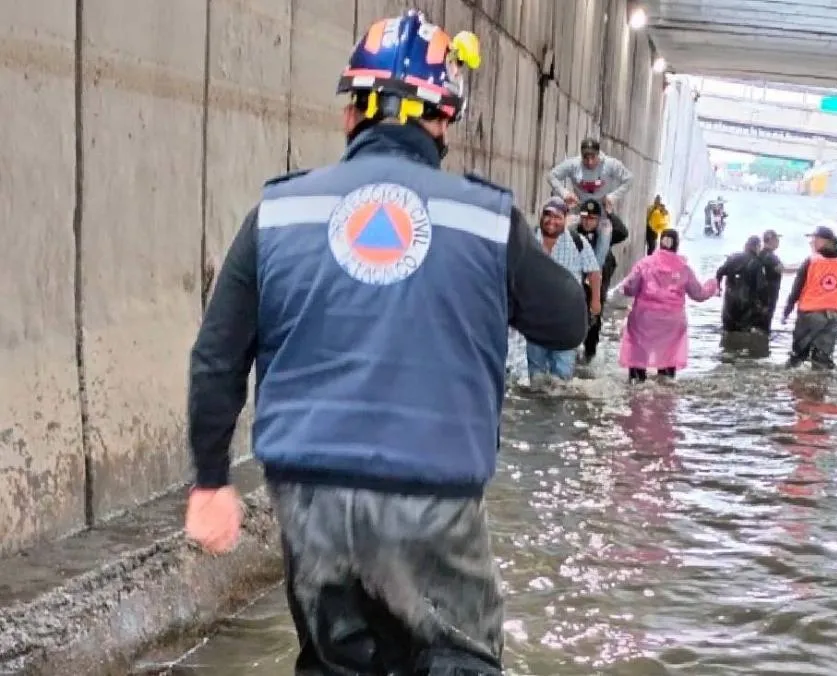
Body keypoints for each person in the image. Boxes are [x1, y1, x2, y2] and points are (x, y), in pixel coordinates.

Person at [183, 11, 587, 674]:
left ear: (352, 115)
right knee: (457, 658)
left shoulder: (280, 212)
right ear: (441, 122)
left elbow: (217, 356)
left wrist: (210, 479)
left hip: (308, 496)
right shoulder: (482, 220)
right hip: (429, 493)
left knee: (333, 661)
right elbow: (567, 322)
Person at [617, 228, 719, 382]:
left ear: (660, 243)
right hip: (672, 323)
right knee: (668, 359)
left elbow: (629, 288)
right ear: (676, 245)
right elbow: (698, 294)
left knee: (638, 358)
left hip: (644, 320)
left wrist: (622, 287)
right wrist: (712, 284)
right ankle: (665, 392)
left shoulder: (645, 264)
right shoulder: (684, 269)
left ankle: (636, 388)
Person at [529, 196, 603, 381]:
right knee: (536, 375)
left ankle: (557, 405)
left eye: (557, 217)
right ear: (541, 216)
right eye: (548, 215)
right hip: (535, 318)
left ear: (565, 218)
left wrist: (595, 301)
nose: (552, 221)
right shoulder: (529, 239)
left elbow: (594, 273)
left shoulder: (577, 243)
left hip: (567, 319)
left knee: (561, 377)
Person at [782, 226, 837, 370]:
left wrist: (788, 308)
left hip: (809, 314)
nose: (813, 243)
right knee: (822, 358)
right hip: (833, 316)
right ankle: (819, 388)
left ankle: (792, 386)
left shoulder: (812, 261)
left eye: (816, 239)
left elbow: (797, 287)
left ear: (828, 241)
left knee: (798, 356)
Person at [574, 198, 628, 362]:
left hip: (599, 281)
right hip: (580, 278)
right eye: (584, 217)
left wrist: (610, 214)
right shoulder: (575, 232)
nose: (587, 222)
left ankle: (590, 352)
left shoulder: (606, 234)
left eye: (592, 218)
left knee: (595, 314)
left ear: (598, 220)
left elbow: (622, 232)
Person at [547, 137, 633, 237]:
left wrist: (613, 196)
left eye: (593, 157)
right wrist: (565, 193)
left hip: (601, 213)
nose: (590, 162)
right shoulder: (573, 164)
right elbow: (551, 176)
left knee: (605, 233)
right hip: (580, 211)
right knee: (564, 230)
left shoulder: (610, 164)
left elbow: (629, 179)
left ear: (598, 154)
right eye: (586, 158)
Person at [715, 235, 764, 333]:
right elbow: (760, 287)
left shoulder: (733, 257)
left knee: (727, 330)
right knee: (743, 331)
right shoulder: (757, 263)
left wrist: (718, 288)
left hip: (730, 300)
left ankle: (727, 346)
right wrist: (762, 305)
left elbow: (719, 272)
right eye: (759, 247)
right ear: (756, 247)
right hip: (746, 303)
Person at [755, 229, 784, 332]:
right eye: (777, 239)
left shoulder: (761, 254)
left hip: (761, 295)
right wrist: (802, 269)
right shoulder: (770, 256)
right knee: (764, 324)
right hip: (769, 295)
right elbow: (780, 269)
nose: (778, 242)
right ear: (771, 240)